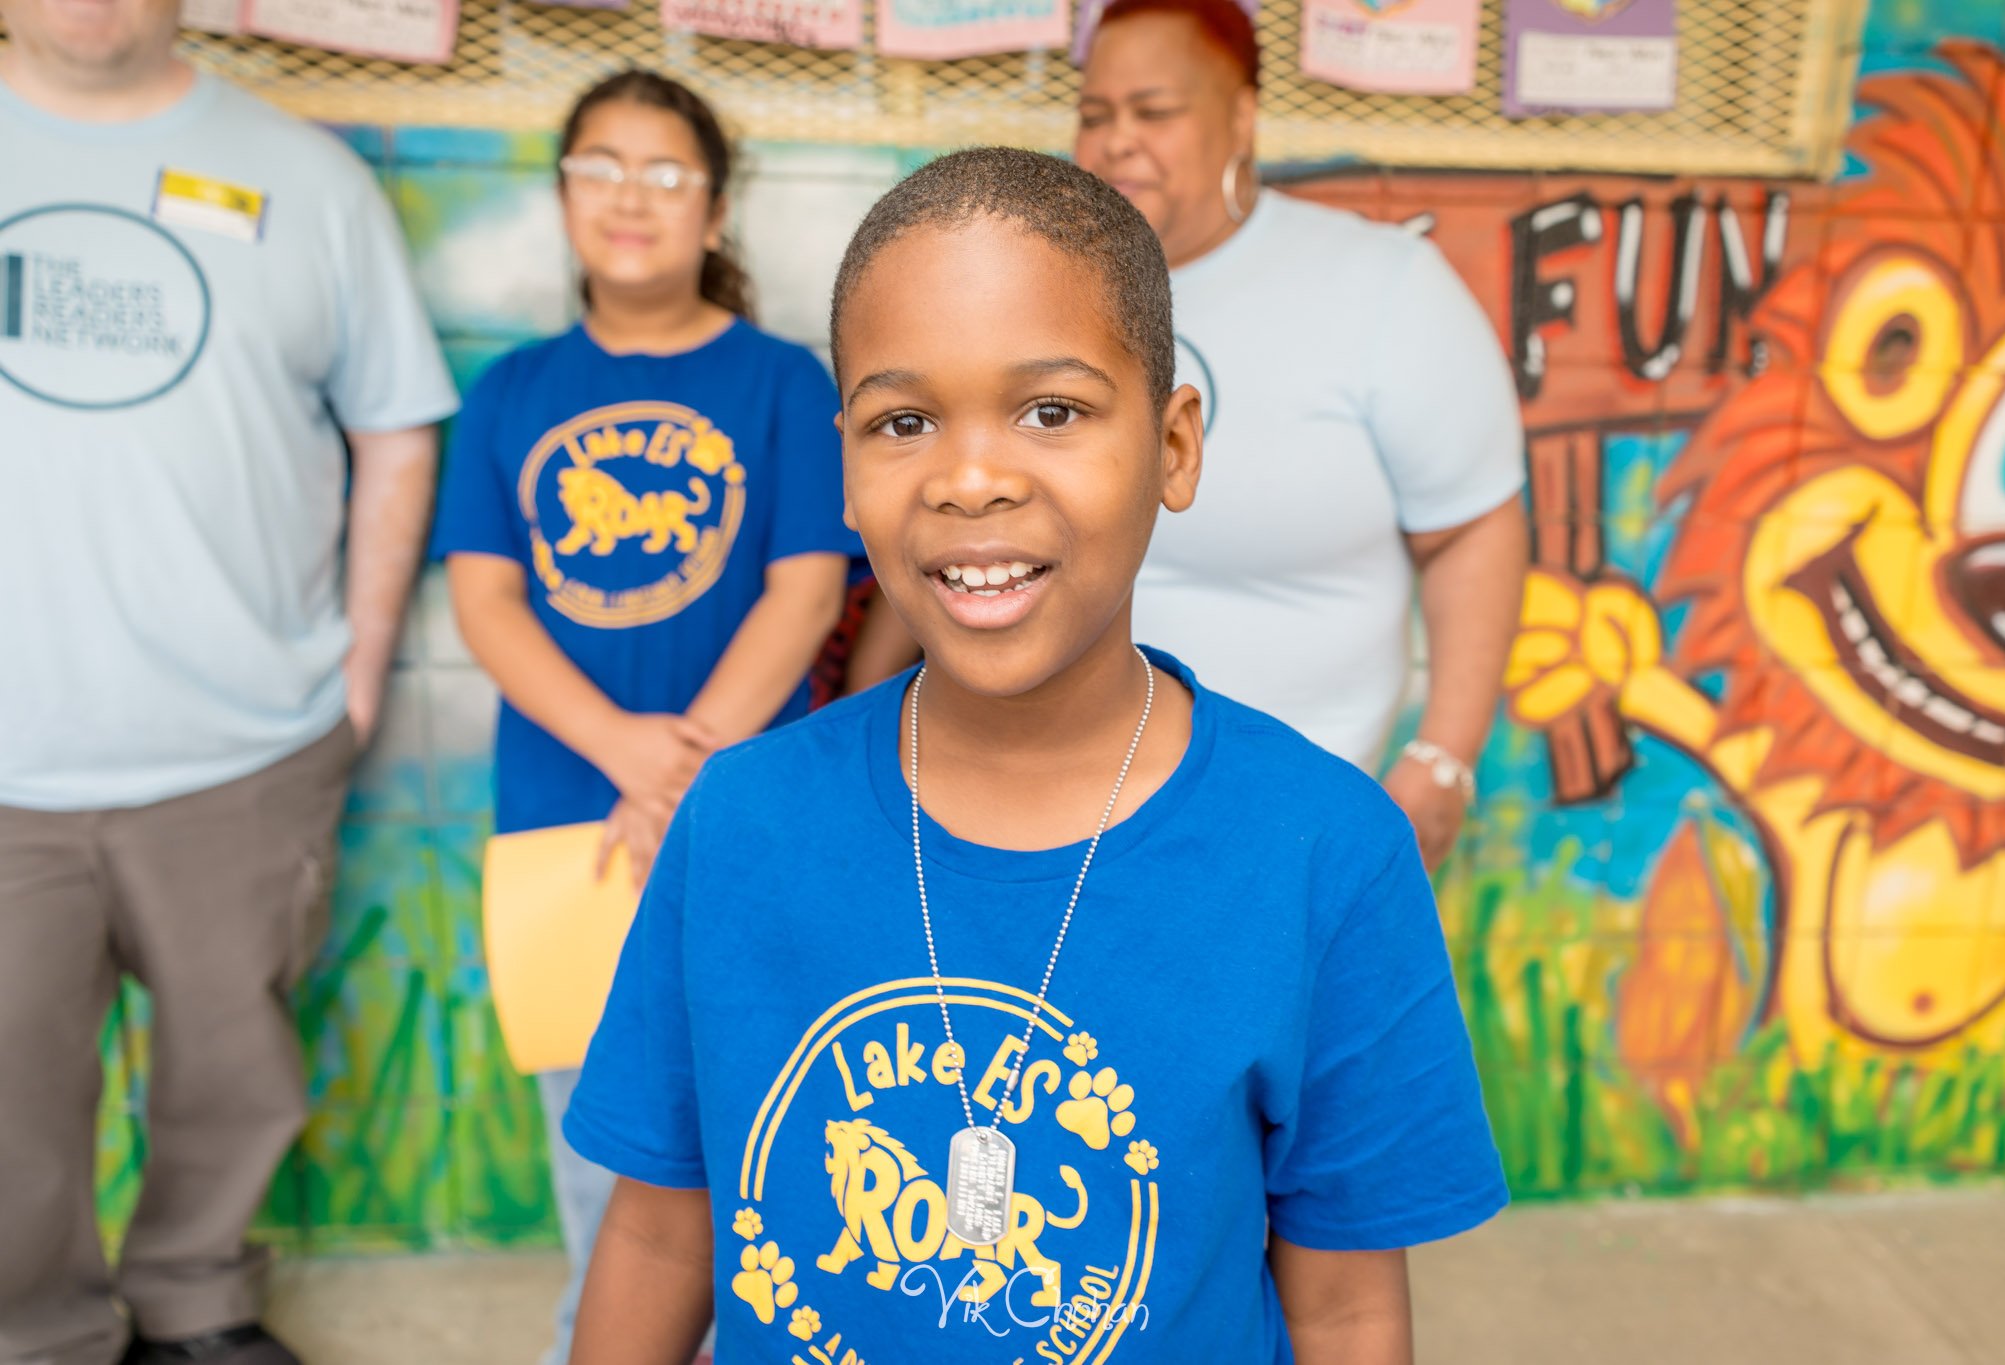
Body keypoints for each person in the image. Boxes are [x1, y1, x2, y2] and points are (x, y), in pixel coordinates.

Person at [560, 148, 1505, 1364]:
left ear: (1172, 448)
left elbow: (1344, 1305)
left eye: (1050, 411)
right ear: (843, 466)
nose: (969, 480)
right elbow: (656, 1239)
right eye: (902, 421)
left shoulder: (1323, 852)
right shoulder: (740, 822)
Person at [0, 0, 456, 1359]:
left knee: (233, 1071)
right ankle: (37, 1330)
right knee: (9, 1096)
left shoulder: (308, 179)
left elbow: (395, 424)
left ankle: (198, 1301)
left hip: (245, 748)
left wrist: (359, 666)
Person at [431, 69, 857, 1365]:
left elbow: (806, 591)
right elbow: (489, 602)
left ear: (717, 211)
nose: (632, 198)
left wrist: (685, 771)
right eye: (600, 168)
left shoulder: (786, 383)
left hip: (747, 817)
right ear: (562, 197)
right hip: (571, 825)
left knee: (768, 1121)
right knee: (599, 1155)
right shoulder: (509, 392)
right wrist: (625, 751)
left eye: (667, 174)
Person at [1063, 0, 1527, 869]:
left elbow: (1471, 526)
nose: (1117, 140)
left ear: (1241, 115)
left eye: (1155, 111)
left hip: (1298, 835)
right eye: (1095, 115)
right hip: (1058, 816)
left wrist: (1441, 760)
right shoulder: (1047, 288)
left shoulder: (1379, 286)